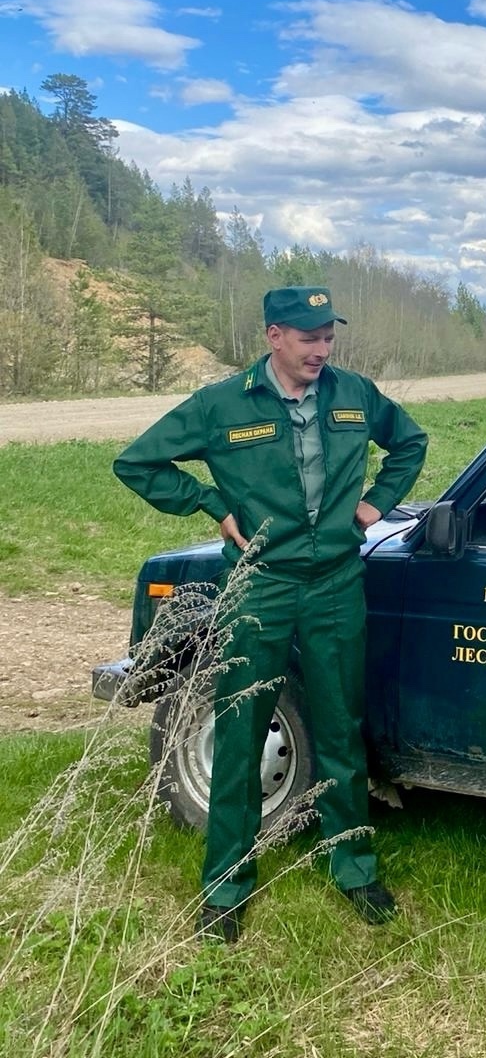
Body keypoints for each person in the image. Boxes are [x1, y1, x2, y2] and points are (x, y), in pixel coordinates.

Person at [114, 286, 428, 943]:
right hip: (260, 585)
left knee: (341, 725)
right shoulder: (223, 405)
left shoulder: (354, 393)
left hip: (337, 583)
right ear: (274, 337)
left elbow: (409, 442)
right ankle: (225, 886)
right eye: (308, 336)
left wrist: (375, 506)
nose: (322, 348)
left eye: (328, 336)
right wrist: (208, 503)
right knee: (240, 729)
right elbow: (137, 461)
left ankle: (353, 867)